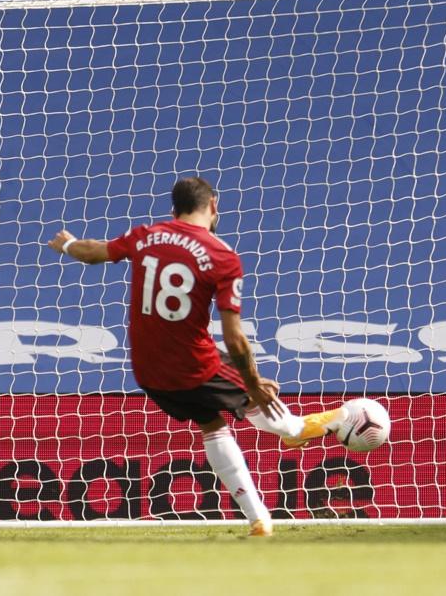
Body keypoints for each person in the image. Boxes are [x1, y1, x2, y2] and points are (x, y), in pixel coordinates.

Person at [47, 177, 350, 537]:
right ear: (214, 205)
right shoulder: (222, 256)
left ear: (173, 210)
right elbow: (235, 338)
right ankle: (308, 427)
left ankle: (259, 520)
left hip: (149, 372)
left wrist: (67, 245)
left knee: (211, 424)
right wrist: (251, 384)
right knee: (270, 411)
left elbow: (93, 253)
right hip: (194, 367)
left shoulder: (146, 236)